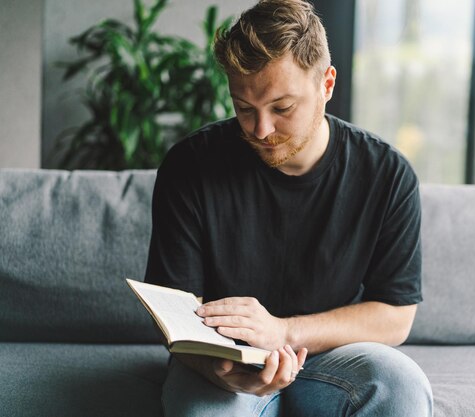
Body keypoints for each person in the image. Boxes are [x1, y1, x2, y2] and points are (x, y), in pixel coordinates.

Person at [144, 0, 433, 415]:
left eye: (282, 108)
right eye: (244, 108)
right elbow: (173, 313)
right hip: (228, 364)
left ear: (327, 85)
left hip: (334, 360)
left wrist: (282, 332)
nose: (260, 130)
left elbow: (395, 317)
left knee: (401, 386)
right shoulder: (190, 166)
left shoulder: (387, 174)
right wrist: (222, 372)